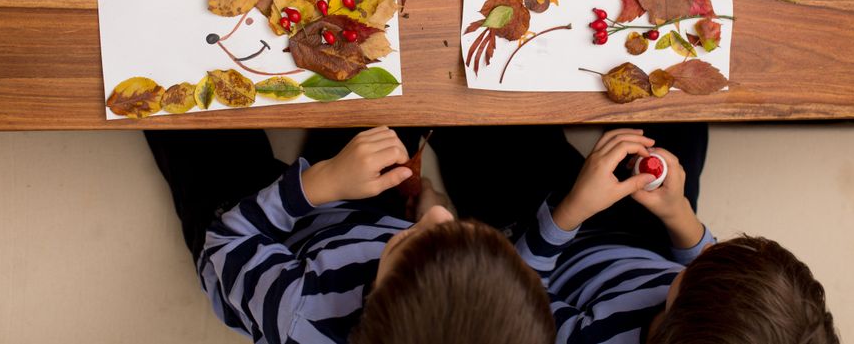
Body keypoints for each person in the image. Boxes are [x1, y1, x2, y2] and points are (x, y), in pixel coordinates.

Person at [145, 126, 555, 344]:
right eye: (460, 225)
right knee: (387, 86)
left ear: (373, 297)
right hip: (359, 219)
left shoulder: (299, 314)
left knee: (187, 112)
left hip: (249, 240)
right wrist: (420, 215)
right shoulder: (484, 303)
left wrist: (317, 186)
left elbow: (229, 237)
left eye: (416, 236)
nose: (441, 214)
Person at [433, 125, 838, 344]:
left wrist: (572, 209)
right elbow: (703, 262)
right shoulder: (713, 302)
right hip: (644, 236)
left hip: (538, 246)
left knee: (489, 133)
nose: (705, 257)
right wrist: (677, 211)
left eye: (695, 274)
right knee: (680, 108)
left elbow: (509, 294)